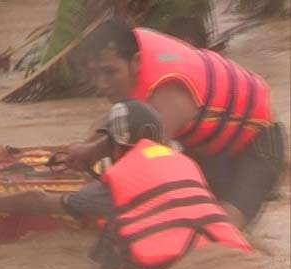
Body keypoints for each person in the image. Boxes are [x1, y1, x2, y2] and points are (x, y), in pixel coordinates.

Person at [0, 101, 251, 269]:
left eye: (108, 141)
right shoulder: (184, 164)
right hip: (224, 257)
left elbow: (40, 201)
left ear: (116, 142)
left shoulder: (119, 183)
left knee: (98, 257)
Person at [66, 18, 286, 229]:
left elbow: (135, 172)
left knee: (223, 229)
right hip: (207, 146)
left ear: (136, 62)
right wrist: (87, 149)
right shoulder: (131, 44)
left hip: (257, 145)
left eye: (110, 73)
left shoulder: (171, 94)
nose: (101, 84)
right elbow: (115, 124)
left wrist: (58, 202)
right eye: (95, 73)